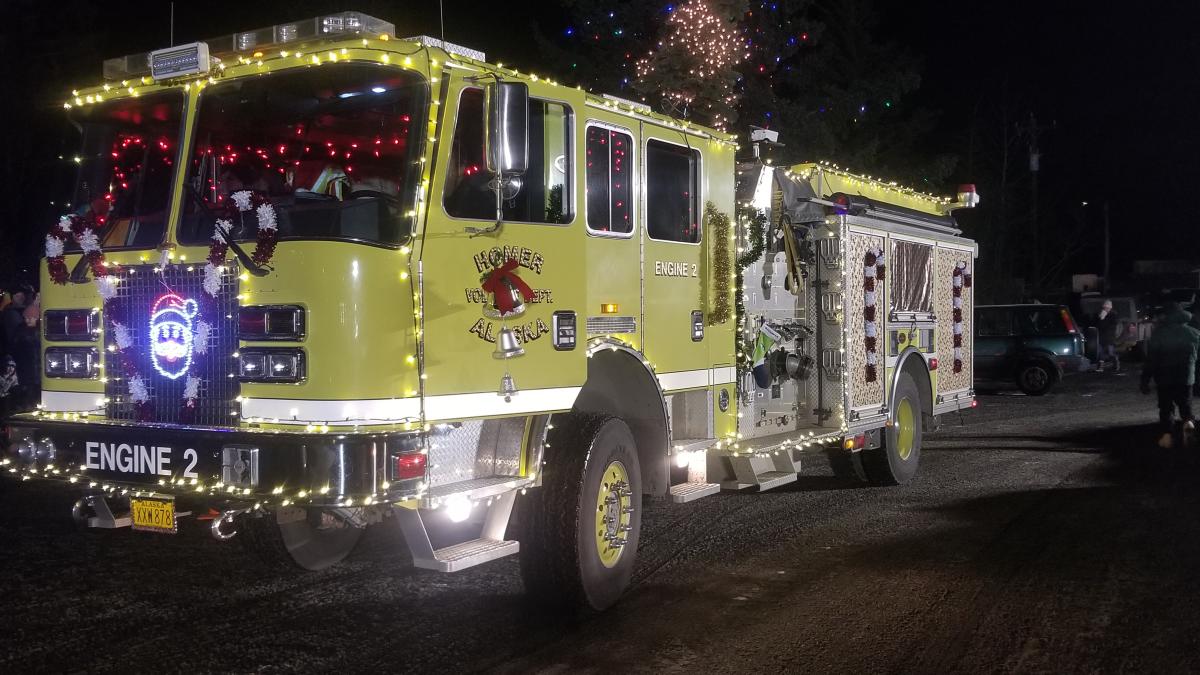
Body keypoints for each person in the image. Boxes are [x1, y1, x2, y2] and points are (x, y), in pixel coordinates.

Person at [1140, 302, 1200, 448]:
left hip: (1164, 378)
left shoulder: (1159, 334)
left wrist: (1145, 380)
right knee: (1186, 405)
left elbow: (1151, 360)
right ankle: (1189, 424)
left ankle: (1167, 437)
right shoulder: (1194, 333)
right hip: (1186, 377)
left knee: (1166, 408)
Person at [1095, 299, 1120, 372]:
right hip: (1101, 337)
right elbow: (1098, 325)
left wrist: (1103, 320)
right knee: (1101, 353)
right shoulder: (1100, 314)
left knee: (1110, 352)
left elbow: (1112, 326)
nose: (1106, 308)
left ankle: (1116, 364)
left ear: (1110, 308)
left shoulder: (1113, 315)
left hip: (1109, 337)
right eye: (1105, 307)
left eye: (1108, 307)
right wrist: (1101, 318)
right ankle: (1100, 367)